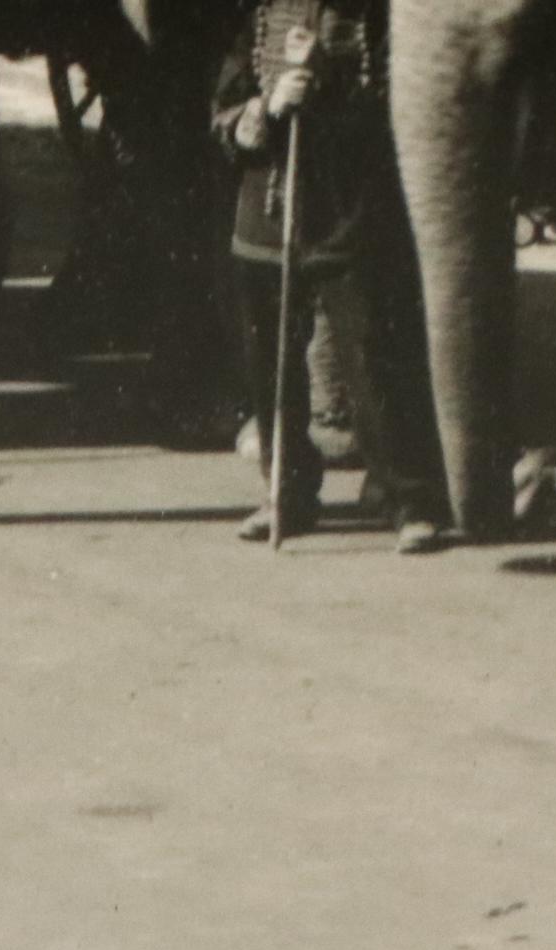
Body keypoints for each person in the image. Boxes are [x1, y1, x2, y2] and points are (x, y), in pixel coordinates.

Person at [214, 0, 452, 554]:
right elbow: (223, 113)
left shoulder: (378, 19)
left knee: (373, 354)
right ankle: (287, 494)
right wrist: (268, 105)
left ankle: (409, 499)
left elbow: (409, 117)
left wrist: (332, 84)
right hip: (269, 213)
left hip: (348, 212)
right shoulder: (261, 16)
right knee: (269, 363)